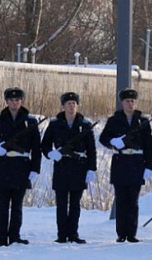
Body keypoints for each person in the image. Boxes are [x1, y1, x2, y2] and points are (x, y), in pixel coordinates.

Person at [0, 87, 42, 246]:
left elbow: (36, 147)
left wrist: (35, 168)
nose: (14, 103)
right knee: (3, 205)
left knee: (17, 205)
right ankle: (1, 237)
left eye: (17, 100)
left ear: (21, 101)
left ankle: (15, 235)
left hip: (22, 166)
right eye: (11, 100)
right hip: (4, 165)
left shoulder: (31, 121)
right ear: (6, 101)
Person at [99, 88, 152, 243]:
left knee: (133, 201)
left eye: (132, 101)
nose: (130, 104)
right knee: (121, 200)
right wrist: (113, 142)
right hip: (121, 162)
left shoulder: (142, 121)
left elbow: (148, 146)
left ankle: (132, 233)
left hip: (137, 162)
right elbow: (103, 138)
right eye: (127, 101)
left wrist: (149, 166)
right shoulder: (114, 120)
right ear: (122, 103)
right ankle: (121, 233)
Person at [40, 92, 97, 244]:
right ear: (63, 106)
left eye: (74, 103)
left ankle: (73, 234)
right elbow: (44, 145)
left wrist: (92, 169)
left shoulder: (85, 125)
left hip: (79, 167)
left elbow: (91, 149)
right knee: (61, 204)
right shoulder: (55, 124)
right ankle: (61, 235)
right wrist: (51, 154)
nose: (71, 106)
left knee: (75, 204)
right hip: (62, 167)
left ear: (77, 106)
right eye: (68, 104)